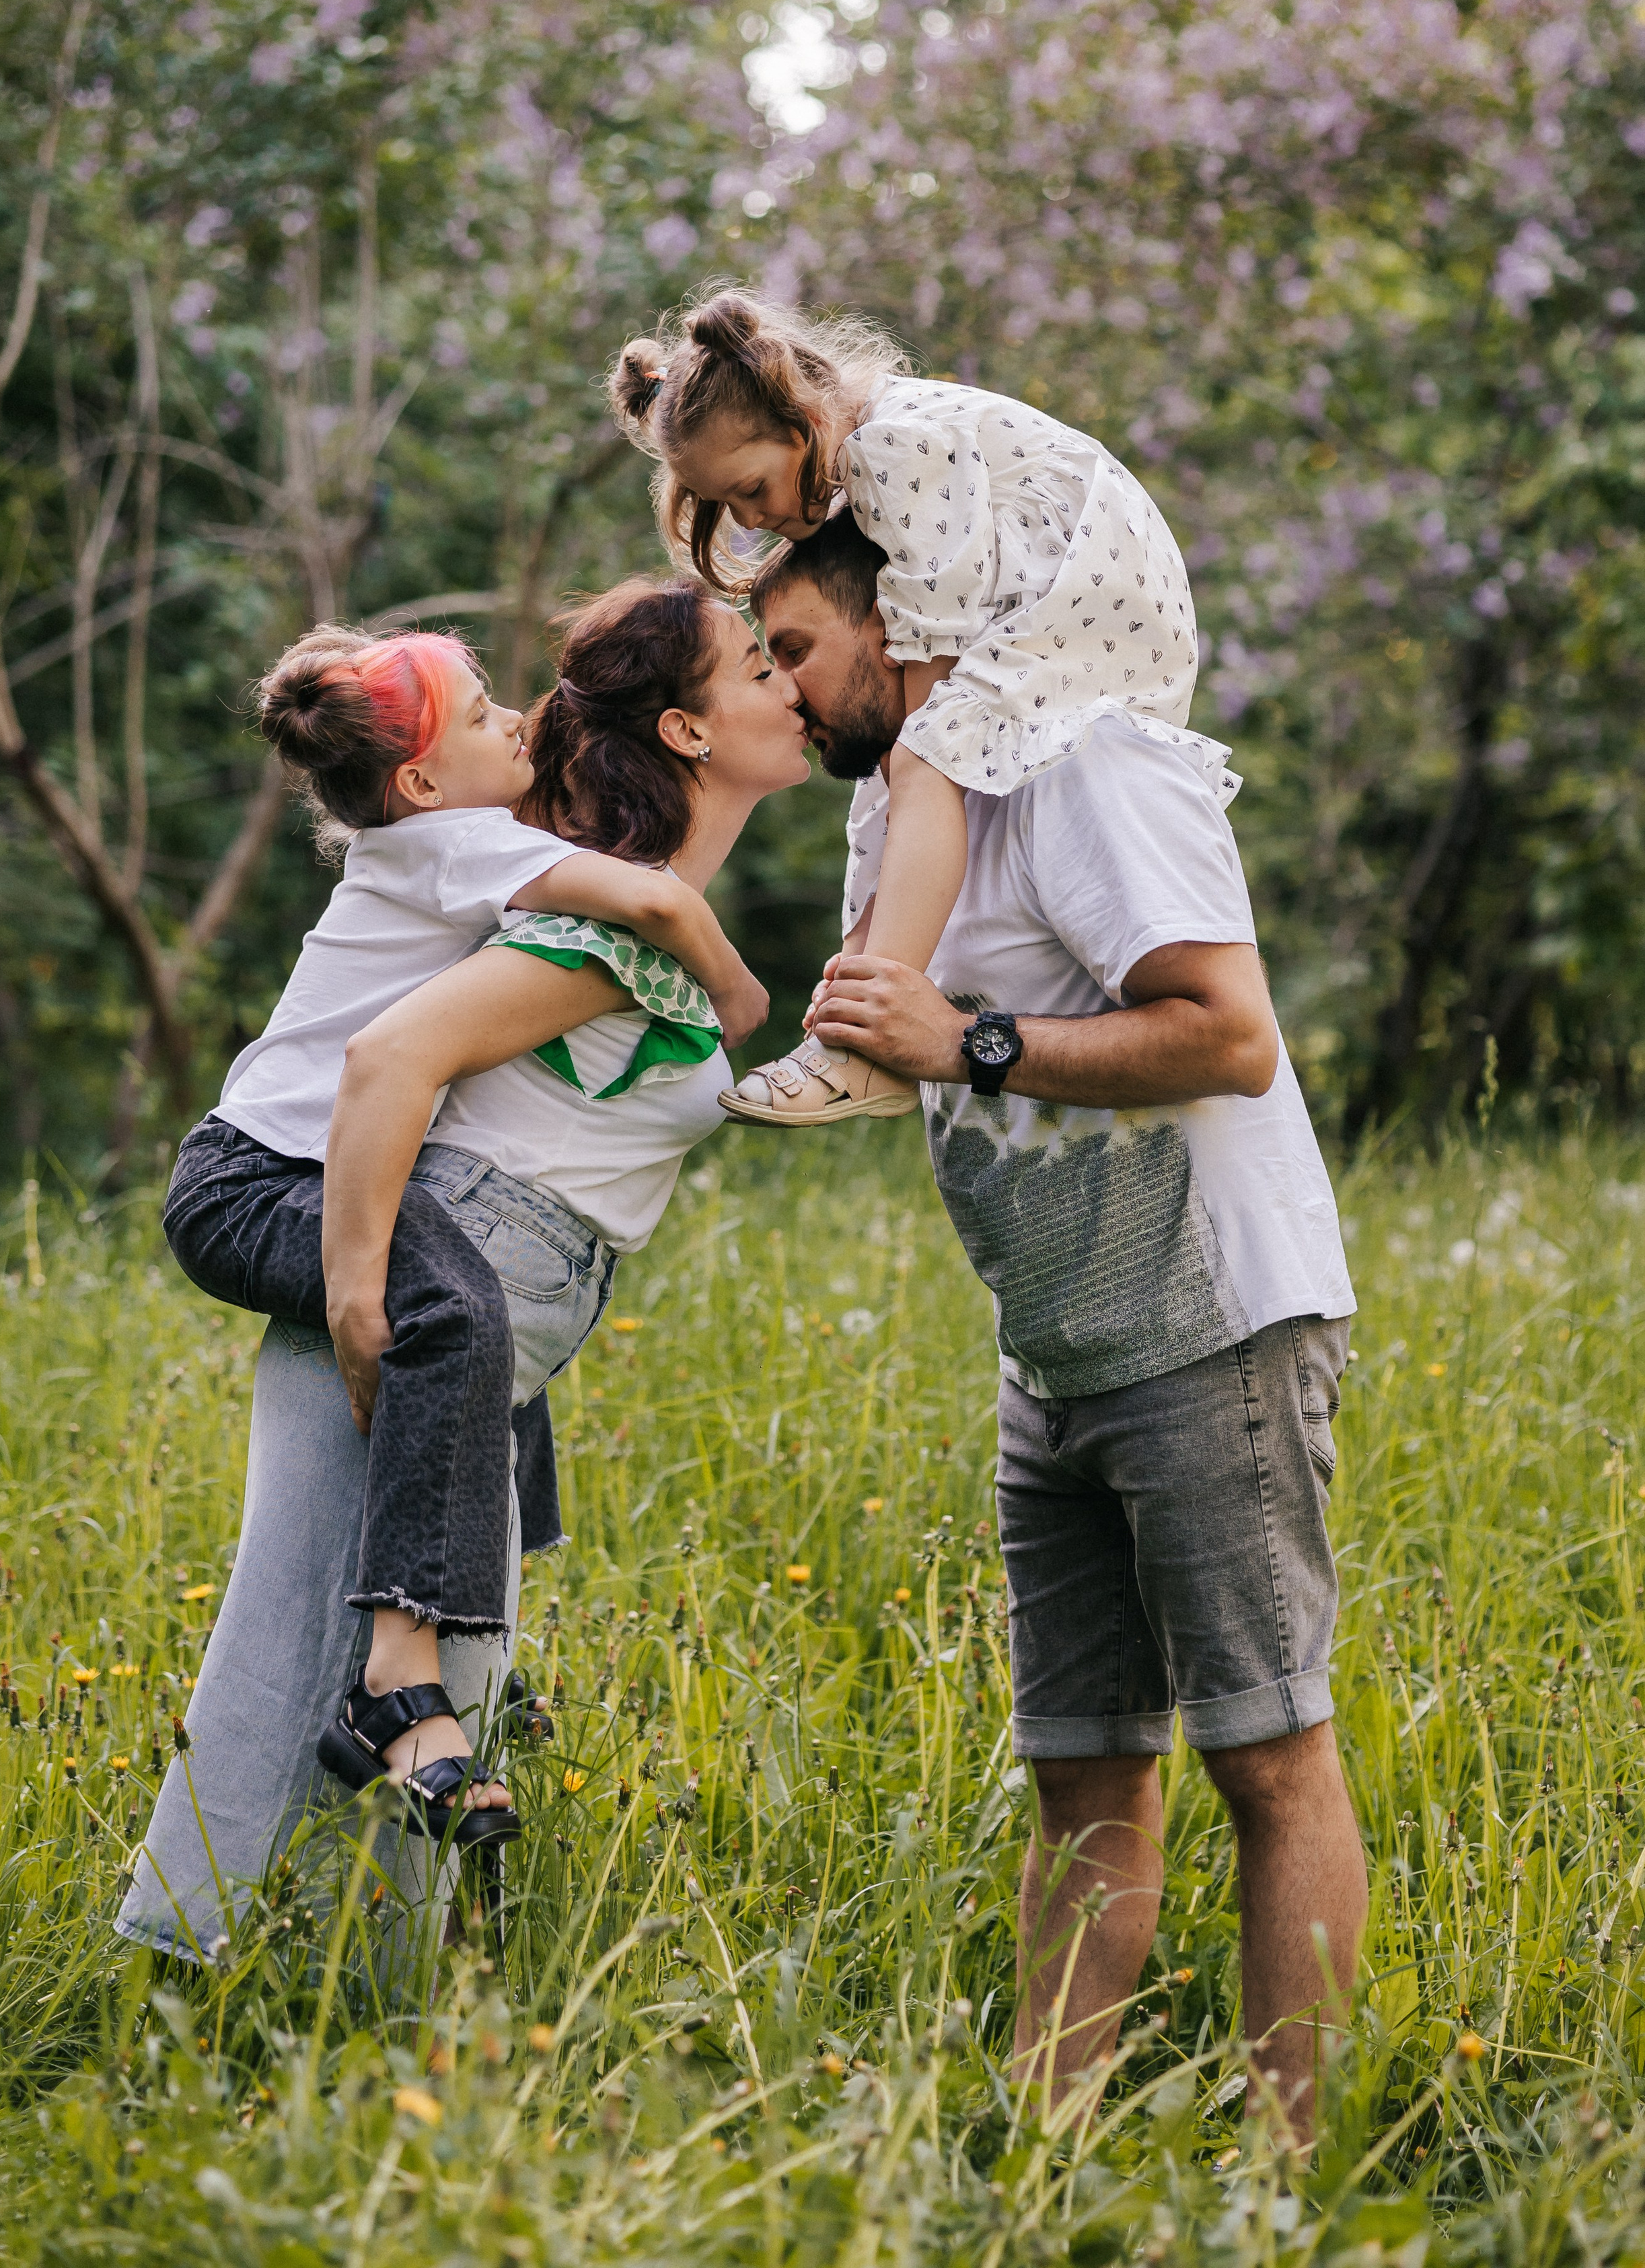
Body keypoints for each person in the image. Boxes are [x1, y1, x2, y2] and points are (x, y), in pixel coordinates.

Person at [745, 513, 1364, 2131]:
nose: (782, 691)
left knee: (1264, 1755)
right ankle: (1040, 2152)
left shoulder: (1086, 766)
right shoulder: (902, 819)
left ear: (901, 628)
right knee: (1082, 1776)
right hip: (1058, 1347)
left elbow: (1225, 1037)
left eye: (797, 651)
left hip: (1207, 1326)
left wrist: (971, 1041)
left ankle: (1283, 2183)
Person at [119, 574, 811, 1962]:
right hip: (356, 1231)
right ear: (683, 727)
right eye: (760, 662)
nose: (791, 681)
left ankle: (357, 1997)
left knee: (423, 1660)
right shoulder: (557, 901)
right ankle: (194, 1981)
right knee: (302, 1632)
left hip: (465, 1291)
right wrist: (364, 1292)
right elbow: (391, 1062)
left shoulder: (521, 864)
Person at [608, 289, 1233, 1127]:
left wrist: (917, 768)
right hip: (1052, 615)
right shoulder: (871, 451)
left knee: (917, 762)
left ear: (799, 421)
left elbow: (930, 675)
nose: (753, 519)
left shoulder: (890, 446)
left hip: (1094, 618)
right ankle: (855, 1018)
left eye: (751, 487)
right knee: (896, 781)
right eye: (730, 505)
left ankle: (867, 1038)